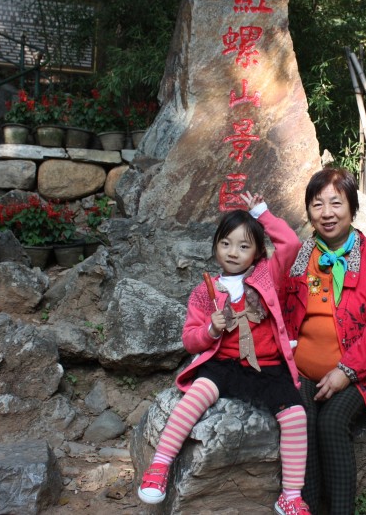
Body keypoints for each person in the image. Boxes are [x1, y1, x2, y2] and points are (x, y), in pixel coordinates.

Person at [137, 192, 311, 515]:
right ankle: (159, 467)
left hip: (266, 367)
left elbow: (290, 244)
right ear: (215, 246)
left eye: (244, 246)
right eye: (226, 243)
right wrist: (211, 331)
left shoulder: (266, 276)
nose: (233, 252)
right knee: (194, 397)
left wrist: (262, 213)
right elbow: (190, 340)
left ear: (257, 252)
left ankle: (290, 495)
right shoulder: (205, 290)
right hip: (222, 364)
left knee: (296, 415)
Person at [281, 168, 366, 514]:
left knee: (332, 422)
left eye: (336, 203)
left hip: (361, 372)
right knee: (300, 418)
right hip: (302, 368)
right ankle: (306, 508)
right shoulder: (298, 257)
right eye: (317, 204)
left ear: (352, 208)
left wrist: (345, 371)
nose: (327, 213)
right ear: (308, 211)